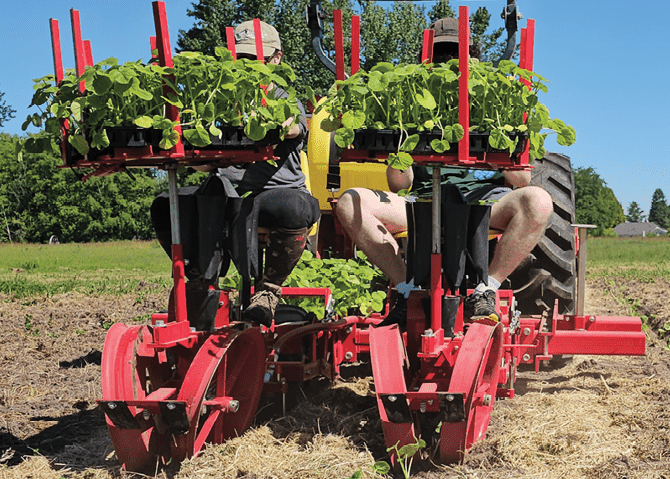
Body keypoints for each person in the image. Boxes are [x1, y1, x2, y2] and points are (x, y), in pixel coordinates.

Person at [333, 18, 553, 326]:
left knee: (539, 201)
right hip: (423, 202)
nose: (449, 61)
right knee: (350, 202)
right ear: (427, 59)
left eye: (456, 52)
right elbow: (399, 185)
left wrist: (494, 148)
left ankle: (485, 289)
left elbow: (521, 181)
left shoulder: (495, 100)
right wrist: (402, 151)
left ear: (474, 56)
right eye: (441, 54)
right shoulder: (411, 102)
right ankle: (406, 289)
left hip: (487, 203)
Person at [151, 20, 318, 328]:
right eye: (242, 59)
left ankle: (268, 292)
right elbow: (205, 164)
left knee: (293, 207)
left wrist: (274, 125)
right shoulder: (221, 100)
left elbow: (295, 126)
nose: (249, 67)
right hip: (228, 191)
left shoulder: (283, 95)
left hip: (277, 192)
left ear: (275, 58)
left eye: (256, 59)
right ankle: (201, 283)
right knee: (166, 203)